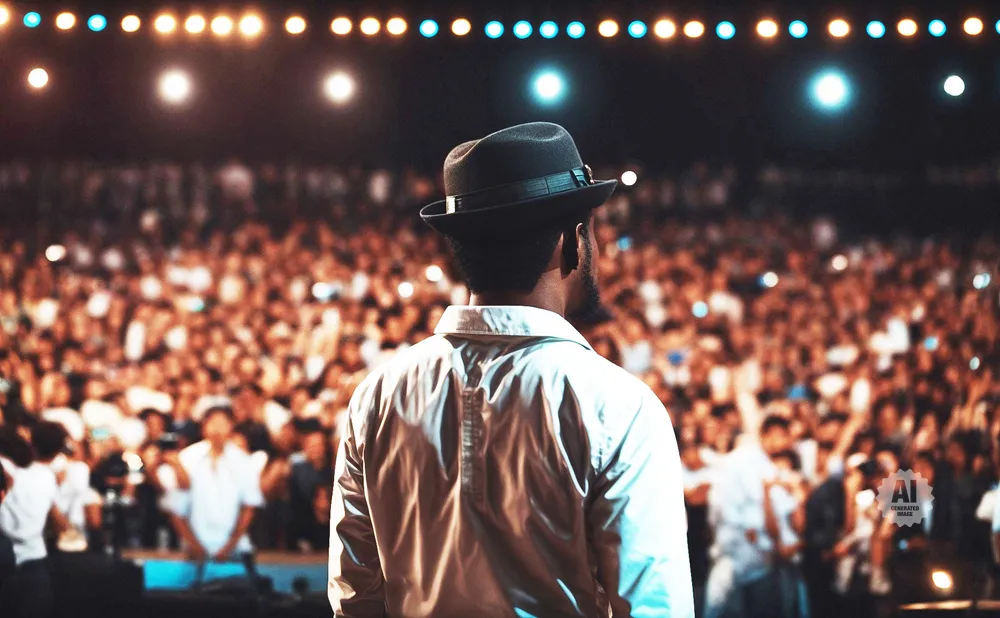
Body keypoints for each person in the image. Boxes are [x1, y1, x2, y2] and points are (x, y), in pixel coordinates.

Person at [329, 123, 694, 617]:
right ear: (570, 241)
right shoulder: (618, 406)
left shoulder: (377, 397)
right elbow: (654, 608)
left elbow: (356, 598)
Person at [704, 415, 797, 618]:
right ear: (767, 435)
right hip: (736, 554)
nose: (786, 443)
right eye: (782, 437)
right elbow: (722, 503)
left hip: (760, 560)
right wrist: (749, 528)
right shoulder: (743, 460)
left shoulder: (768, 466)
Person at [166, 405, 264, 571]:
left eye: (223, 423)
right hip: (195, 549)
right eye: (213, 423)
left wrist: (229, 547)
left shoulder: (243, 462)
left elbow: (249, 507)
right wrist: (194, 545)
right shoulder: (187, 458)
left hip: (235, 549)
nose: (217, 429)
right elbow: (176, 509)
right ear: (204, 426)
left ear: (231, 427)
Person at [0, 421, 70, 618]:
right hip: (34, 564)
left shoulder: (8, 473)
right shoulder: (48, 478)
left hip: (6, 562)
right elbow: (60, 525)